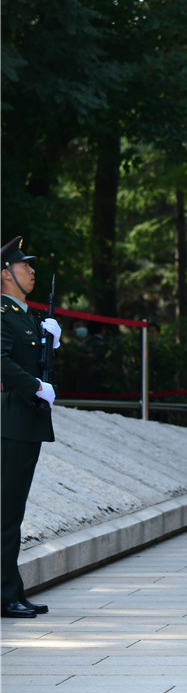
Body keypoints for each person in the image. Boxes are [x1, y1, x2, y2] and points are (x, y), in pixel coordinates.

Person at [1, 236, 61, 619]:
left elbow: (36, 359)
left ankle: (13, 589)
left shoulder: (25, 314)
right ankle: (5, 595)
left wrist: (51, 342)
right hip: (11, 419)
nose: (31, 270)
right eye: (24, 265)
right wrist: (36, 386)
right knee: (6, 512)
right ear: (5, 274)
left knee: (14, 511)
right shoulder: (4, 314)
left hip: (27, 420)